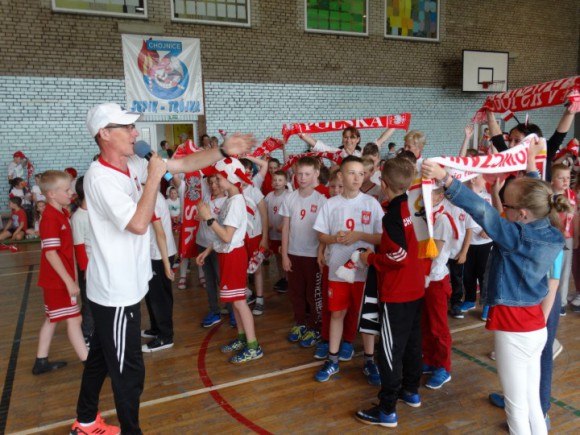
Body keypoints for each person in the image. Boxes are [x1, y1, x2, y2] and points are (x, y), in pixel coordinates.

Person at [71, 102, 254, 434]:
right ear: (105, 134)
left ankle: (84, 420)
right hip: (115, 292)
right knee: (129, 371)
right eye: (127, 127)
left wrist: (222, 151)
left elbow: (182, 163)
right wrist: (154, 177)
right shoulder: (101, 178)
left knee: (100, 356)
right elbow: (138, 223)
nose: (135, 133)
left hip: (125, 284)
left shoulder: (131, 162)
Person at [422, 158, 566, 435]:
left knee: (516, 407)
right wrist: (532, 169)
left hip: (515, 329)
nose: (502, 210)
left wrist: (447, 180)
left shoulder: (516, 237)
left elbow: (481, 210)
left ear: (522, 214)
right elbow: (537, 197)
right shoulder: (552, 232)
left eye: (507, 206)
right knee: (532, 402)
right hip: (536, 327)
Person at [355, 157, 424, 428]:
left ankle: (386, 410)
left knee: (389, 351)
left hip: (397, 292)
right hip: (416, 287)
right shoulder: (413, 206)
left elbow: (398, 255)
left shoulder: (394, 215)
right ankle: (411, 391)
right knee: (412, 344)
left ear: (383, 185)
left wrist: (370, 259)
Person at [312, 156, 383, 382]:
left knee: (367, 315)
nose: (356, 178)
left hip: (365, 272)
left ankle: (369, 361)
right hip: (337, 271)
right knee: (337, 313)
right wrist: (335, 238)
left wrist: (359, 236)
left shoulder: (371, 203)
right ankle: (332, 360)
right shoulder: (330, 204)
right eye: (351, 173)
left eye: (361, 173)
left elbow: (381, 237)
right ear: (341, 176)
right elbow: (321, 235)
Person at [196, 158, 263, 364]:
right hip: (227, 254)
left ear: (232, 178)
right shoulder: (230, 200)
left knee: (240, 302)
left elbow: (226, 236)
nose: (215, 182)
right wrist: (208, 251)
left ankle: (253, 346)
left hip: (234, 256)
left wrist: (208, 218)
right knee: (235, 302)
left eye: (219, 178)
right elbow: (222, 235)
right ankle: (242, 338)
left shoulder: (235, 202)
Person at [34, 170, 88, 375]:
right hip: (57, 281)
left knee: (53, 318)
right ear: (51, 194)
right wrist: (69, 281)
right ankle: (89, 364)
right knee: (74, 319)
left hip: (59, 279)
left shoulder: (61, 213)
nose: (71, 193)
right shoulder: (50, 218)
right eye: (66, 190)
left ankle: (41, 361)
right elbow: (51, 254)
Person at [280, 157, 327, 347]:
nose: (302, 178)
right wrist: (284, 255)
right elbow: (285, 228)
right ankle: (300, 323)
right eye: (299, 174)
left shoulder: (321, 200)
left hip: (313, 256)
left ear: (316, 174)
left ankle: (315, 327)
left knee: (313, 294)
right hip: (293, 254)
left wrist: (320, 254)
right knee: (296, 292)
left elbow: (323, 232)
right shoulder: (289, 198)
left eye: (307, 174)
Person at [421, 186, 454, 389]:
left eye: (428, 193)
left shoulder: (441, 219)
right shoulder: (423, 216)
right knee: (425, 322)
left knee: (438, 325)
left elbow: (434, 253)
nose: (422, 196)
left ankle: (443, 366)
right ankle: (429, 359)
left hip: (436, 279)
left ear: (439, 196)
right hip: (423, 278)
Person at [196, 175, 233, 328]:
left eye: (216, 182)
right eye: (210, 183)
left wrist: (207, 217)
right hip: (202, 244)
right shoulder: (206, 197)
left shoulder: (228, 201)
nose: (213, 186)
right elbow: (198, 216)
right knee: (209, 281)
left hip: (218, 246)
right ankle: (214, 310)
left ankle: (233, 311)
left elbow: (225, 229)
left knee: (222, 280)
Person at [142, 191, 177, 352]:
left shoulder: (152, 199)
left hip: (160, 254)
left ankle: (165, 337)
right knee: (152, 295)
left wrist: (165, 263)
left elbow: (160, 233)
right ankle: (156, 328)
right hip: (154, 253)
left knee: (160, 298)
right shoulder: (148, 194)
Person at [550, 163, 576, 316]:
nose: (566, 181)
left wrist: (575, 237)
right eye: (561, 178)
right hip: (551, 237)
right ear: (552, 179)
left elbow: (575, 218)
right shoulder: (547, 195)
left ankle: (561, 301)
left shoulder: (571, 195)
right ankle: (548, 298)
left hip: (567, 238)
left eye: (568, 177)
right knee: (551, 270)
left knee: (565, 270)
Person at [71, 177, 94, 345]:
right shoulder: (78, 217)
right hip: (88, 266)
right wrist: (86, 269)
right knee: (88, 301)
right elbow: (79, 247)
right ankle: (86, 334)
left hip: (99, 264)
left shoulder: (97, 211)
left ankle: (95, 329)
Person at [265, 169, 290, 293]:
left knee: (285, 256)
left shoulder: (289, 196)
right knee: (277, 257)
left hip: (284, 235)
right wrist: (266, 224)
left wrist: (284, 226)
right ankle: (282, 278)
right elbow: (264, 213)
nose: (277, 182)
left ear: (285, 182)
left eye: (280, 180)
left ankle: (288, 279)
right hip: (273, 234)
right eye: (275, 180)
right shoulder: (269, 196)